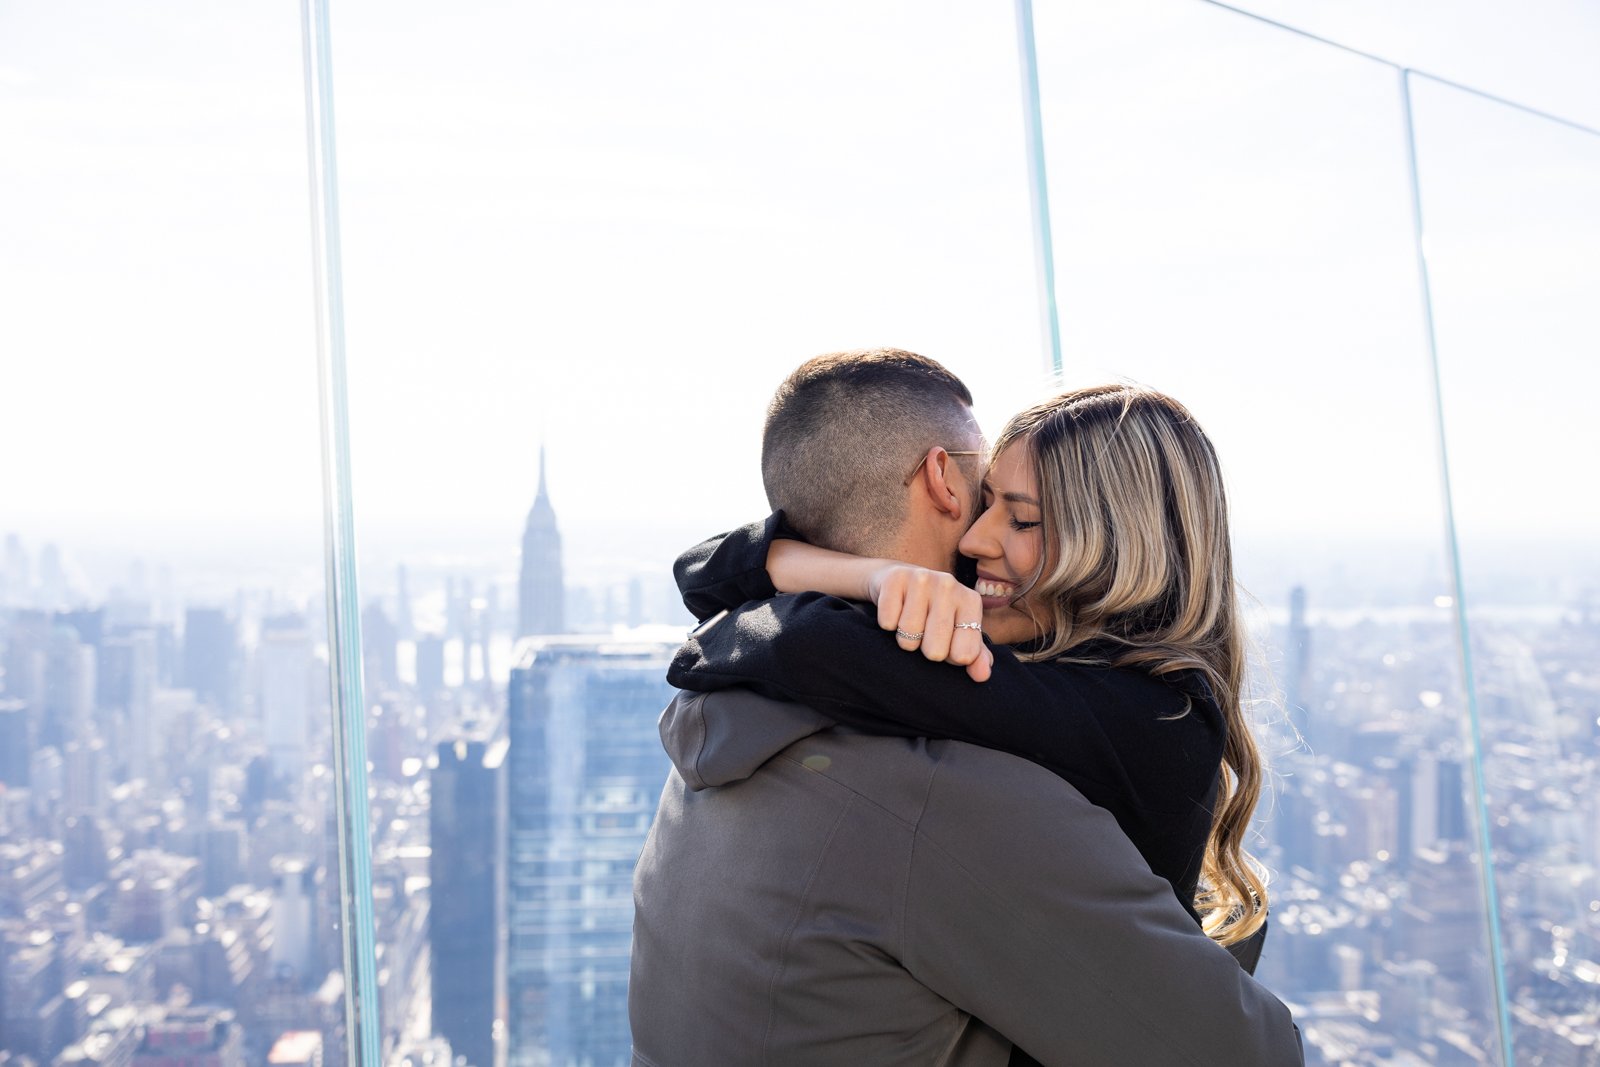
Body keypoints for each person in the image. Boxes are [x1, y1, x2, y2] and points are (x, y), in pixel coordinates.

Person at [629, 349, 1300, 1066]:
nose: (977, 538)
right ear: (942, 480)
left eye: (1020, 519)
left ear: (1115, 546)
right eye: (985, 503)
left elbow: (771, 632)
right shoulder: (991, 741)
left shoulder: (1121, 716)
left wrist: (866, 577)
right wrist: (876, 573)